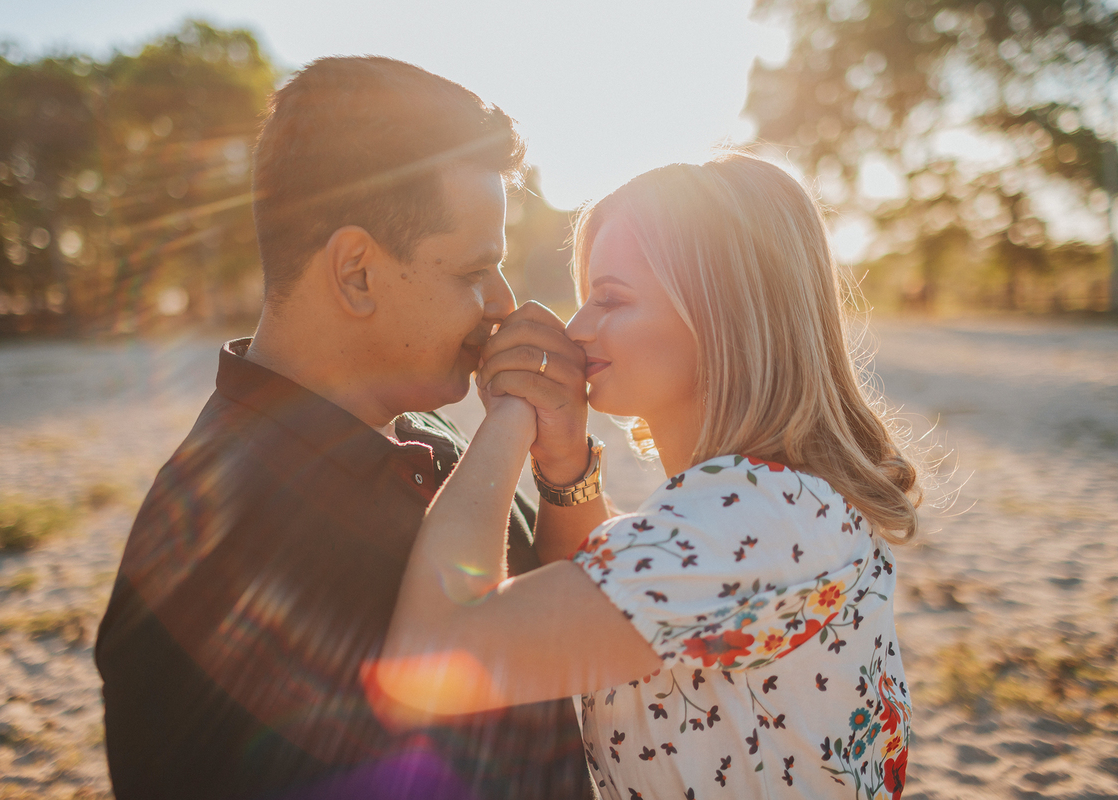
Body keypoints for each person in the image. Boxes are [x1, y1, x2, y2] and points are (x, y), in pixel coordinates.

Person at [94, 56, 597, 800]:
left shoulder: (431, 435)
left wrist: (564, 474)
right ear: (356, 271)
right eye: (471, 272)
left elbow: (564, 624)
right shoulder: (211, 554)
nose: (503, 302)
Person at [378, 152, 921, 799]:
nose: (578, 331)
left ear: (722, 315)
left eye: (610, 299)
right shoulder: (773, 505)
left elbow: (432, 658)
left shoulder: (755, 518)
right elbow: (600, 587)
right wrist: (565, 464)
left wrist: (506, 420)